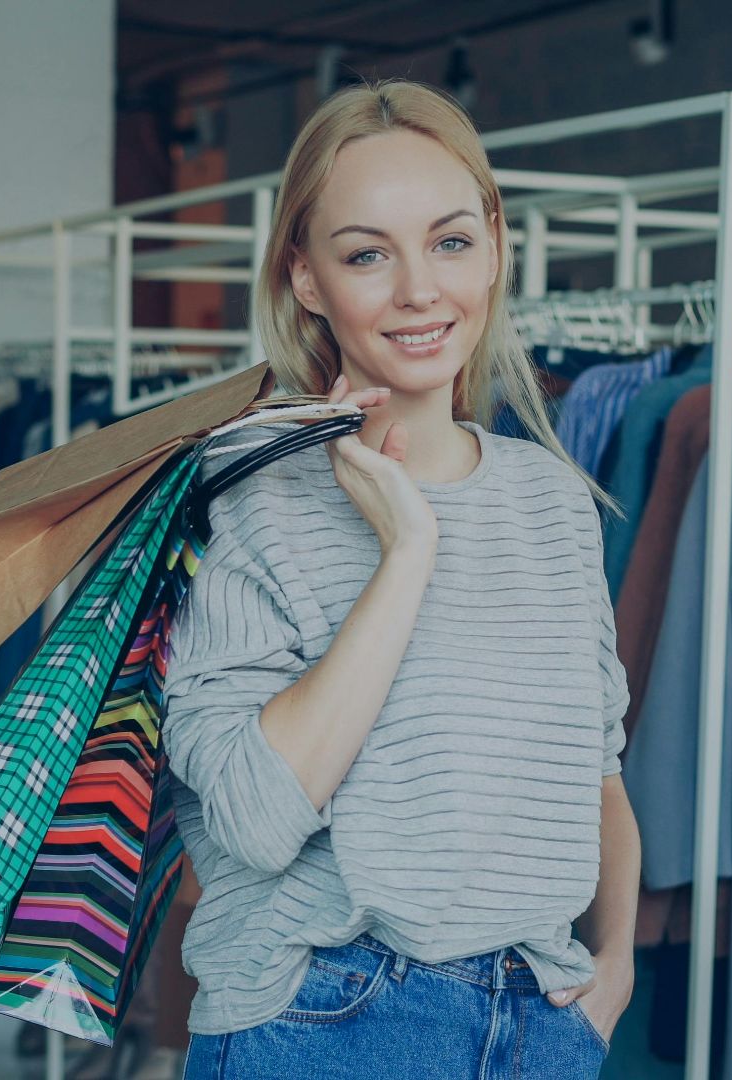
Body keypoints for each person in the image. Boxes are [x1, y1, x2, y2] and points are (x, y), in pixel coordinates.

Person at [163, 80, 640, 1079]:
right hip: (324, 1023)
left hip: (541, 1024)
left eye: (451, 241)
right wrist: (406, 553)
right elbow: (255, 818)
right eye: (367, 253)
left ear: (497, 247)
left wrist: (617, 964)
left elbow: (597, 774)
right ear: (305, 278)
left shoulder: (554, 503)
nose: (420, 289)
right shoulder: (249, 503)